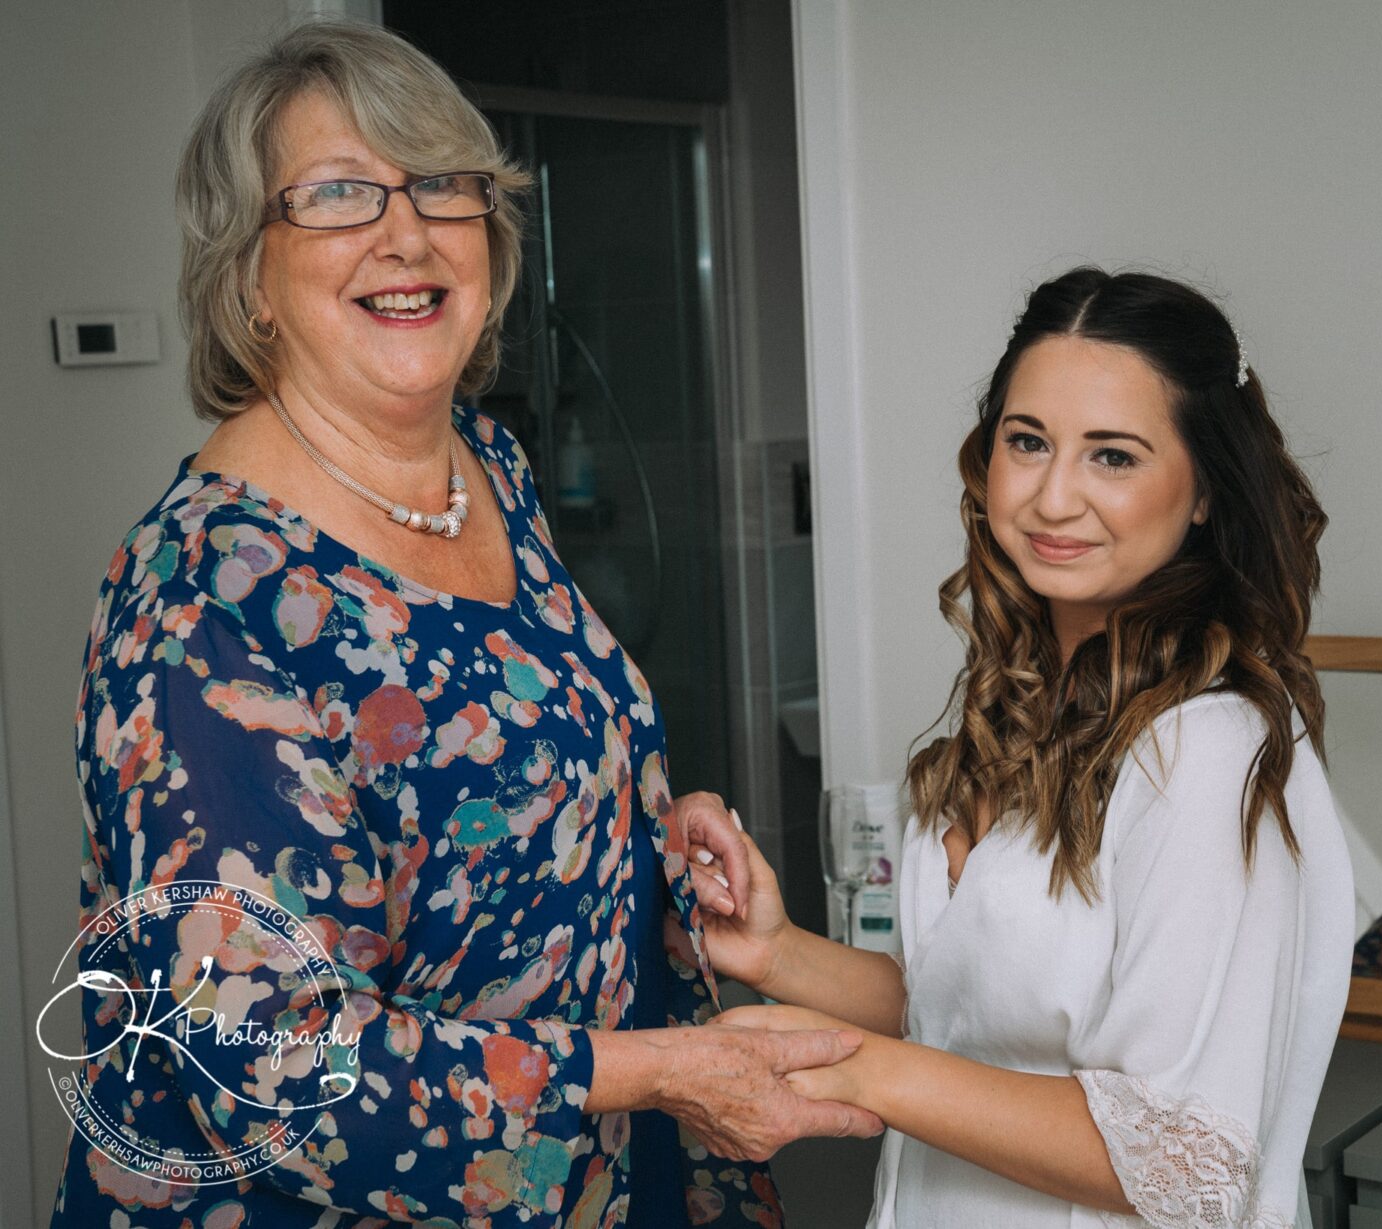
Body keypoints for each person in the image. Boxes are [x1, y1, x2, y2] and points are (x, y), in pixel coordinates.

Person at [50, 21, 878, 1228]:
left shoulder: (486, 465)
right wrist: (655, 1071)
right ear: (249, 279)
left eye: (441, 183)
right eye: (339, 194)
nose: (407, 233)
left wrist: (625, 812)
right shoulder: (195, 599)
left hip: (596, 1175)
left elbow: (479, 755)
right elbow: (269, 1067)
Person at [705, 268, 1356, 1227]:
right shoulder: (1020, 704)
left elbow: (1184, 1162)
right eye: (1028, 441)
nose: (1054, 498)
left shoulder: (1208, 745)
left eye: (1113, 456)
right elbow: (964, 1014)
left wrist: (857, 1068)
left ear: (1207, 490)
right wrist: (777, 953)